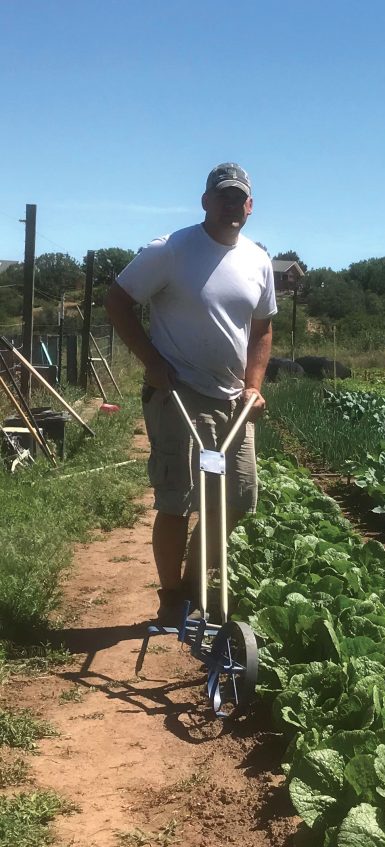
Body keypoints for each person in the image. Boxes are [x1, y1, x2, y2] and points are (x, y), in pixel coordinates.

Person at [105, 162, 277, 624]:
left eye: (239, 197)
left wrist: (254, 385)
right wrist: (153, 363)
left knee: (238, 498)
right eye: (222, 196)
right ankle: (171, 599)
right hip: (178, 392)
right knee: (179, 499)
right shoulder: (173, 250)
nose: (230, 205)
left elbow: (262, 329)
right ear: (205, 201)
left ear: (250, 205)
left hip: (233, 401)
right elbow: (117, 302)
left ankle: (193, 582)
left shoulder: (258, 259)